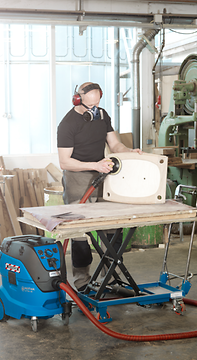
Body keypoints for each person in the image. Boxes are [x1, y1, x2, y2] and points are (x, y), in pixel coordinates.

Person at [57, 82, 142, 291]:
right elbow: (64, 162)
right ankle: (82, 282)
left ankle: (110, 279)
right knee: (79, 233)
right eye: (89, 107)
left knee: (112, 228)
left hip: (103, 176)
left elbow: (115, 145)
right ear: (77, 100)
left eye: (96, 105)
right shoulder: (67, 124)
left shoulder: (102, 116)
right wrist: (95, 164)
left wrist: (129, 151)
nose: (93, 111)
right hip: (77, 179)